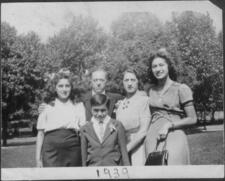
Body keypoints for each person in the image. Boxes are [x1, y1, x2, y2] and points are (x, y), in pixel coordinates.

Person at [144, 48, 197, 165]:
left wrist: (169, 125)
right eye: (154, 66)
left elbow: (193, 118)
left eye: (161, 65)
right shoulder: (149, 90)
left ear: (168, 66)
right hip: (152, 138)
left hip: (174, 134)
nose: (158, 69)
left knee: (174, 170)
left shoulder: (181, 88)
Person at [36, 72, 86, 167]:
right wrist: (38, 159)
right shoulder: (46, 107)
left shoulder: (78, 106)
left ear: (71, 88)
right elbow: (40, 134)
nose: (64, 89)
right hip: (51, 150)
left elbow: (83, 132)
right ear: (55, 88)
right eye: (60, 86)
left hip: (73, 150)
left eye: (67, 86)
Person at [80, 94, 130, 166]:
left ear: (108, 109)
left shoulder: (117, 125)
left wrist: (127, 170)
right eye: (96, 110)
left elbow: (123, 151)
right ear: (91, 109)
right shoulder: (85, 128)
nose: (99, 114)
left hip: (113, 167)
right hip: (93, 167)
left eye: (103, 110)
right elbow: (84, 155)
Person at [116, 68, 151, 165]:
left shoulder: (144, 100)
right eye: (126, 80)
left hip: (138, 147)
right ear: (123, 83)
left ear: (137, 81)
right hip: (122, 145)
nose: (129, 83)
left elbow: (143, 131)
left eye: (133, 80)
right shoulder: (121, 104)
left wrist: (127, 148)